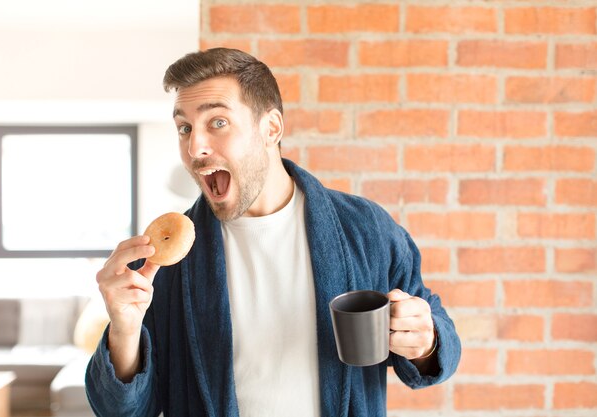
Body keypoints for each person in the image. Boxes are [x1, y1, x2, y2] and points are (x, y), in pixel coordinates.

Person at [85, 48, 461, 417]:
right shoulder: (159, 265)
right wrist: (123, 330)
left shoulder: (365, 228)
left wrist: (426, 341)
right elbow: (124, 409)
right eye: (184, 127)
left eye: (217, 122)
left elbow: (438, 334)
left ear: (271, 128)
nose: (193, 146)